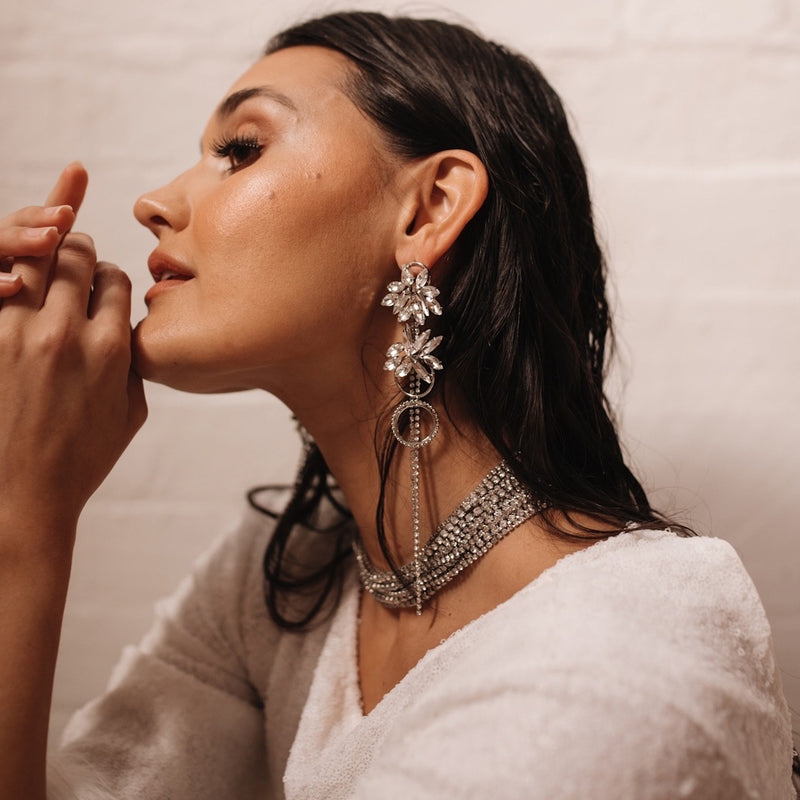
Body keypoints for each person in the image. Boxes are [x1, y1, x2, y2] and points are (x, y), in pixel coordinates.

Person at [0, 11, 794, 799]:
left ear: (429, 208)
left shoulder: (618, 657)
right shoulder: (284, 578)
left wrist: (23, 510)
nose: (153, 202)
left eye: (240, 150)